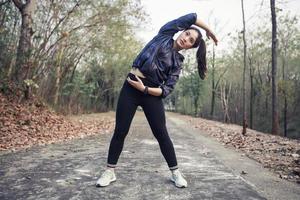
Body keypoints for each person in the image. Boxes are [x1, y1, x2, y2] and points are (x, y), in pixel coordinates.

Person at [96, 13, 218, 188]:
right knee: (121, 131)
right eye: (187, 34)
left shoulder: (177, 63)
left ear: (191, 47)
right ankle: (109, 172)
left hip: (149, 93)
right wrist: (209, 30)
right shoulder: (164, 34)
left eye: (191, 40)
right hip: (131, 86)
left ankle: (175, 173)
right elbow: (192, 17)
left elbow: (166, 90)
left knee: (161, 134)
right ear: (182, 32)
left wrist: (144, 89)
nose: (186, 39)